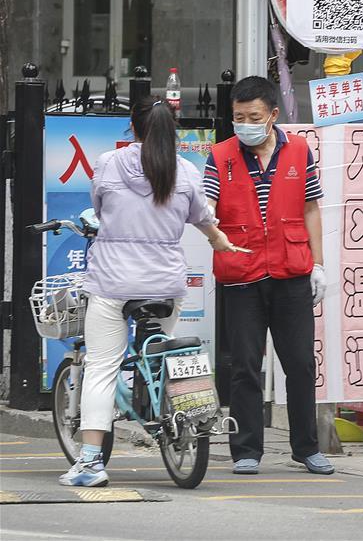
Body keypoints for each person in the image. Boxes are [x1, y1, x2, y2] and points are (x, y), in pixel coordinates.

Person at [60, 97, 244, 487]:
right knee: (166, 347)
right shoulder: (187, 172)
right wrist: (218, 240)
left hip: (112, 281)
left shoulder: (110, 163)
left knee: (102, 368)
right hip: (165, 282)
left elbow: (99, 207)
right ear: (172, 129)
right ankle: (173, 407)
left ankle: (91, 462)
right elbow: (203, 219)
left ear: (133, 126)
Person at [204, 76, 332, 475]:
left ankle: (307, 447)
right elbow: (205, 208)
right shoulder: (220, 155)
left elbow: (311, 208)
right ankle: (246, 450)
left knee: (300, 364)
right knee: (244, 364)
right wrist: (212, 233)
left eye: (253, 116)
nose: (244, 124)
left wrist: (320, 264)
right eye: (238, 117)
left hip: (291, 270)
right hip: (241, 273)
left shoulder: (299, 151)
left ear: (273, 115)